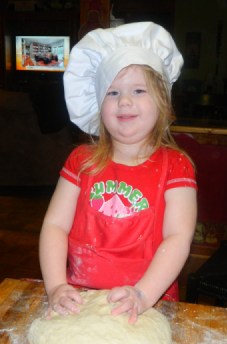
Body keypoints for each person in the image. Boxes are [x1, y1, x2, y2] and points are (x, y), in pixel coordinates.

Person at [39, 22, 198, 323]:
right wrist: (57, 286)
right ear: (99, 105)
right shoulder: (81, 160)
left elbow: (178, 237)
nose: (124, 101)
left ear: (162, 101)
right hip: (80, 299)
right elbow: (55, 225)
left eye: (139, 90)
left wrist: (143, 295)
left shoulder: (176, 166)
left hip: (150, 302)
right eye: (112, 92)